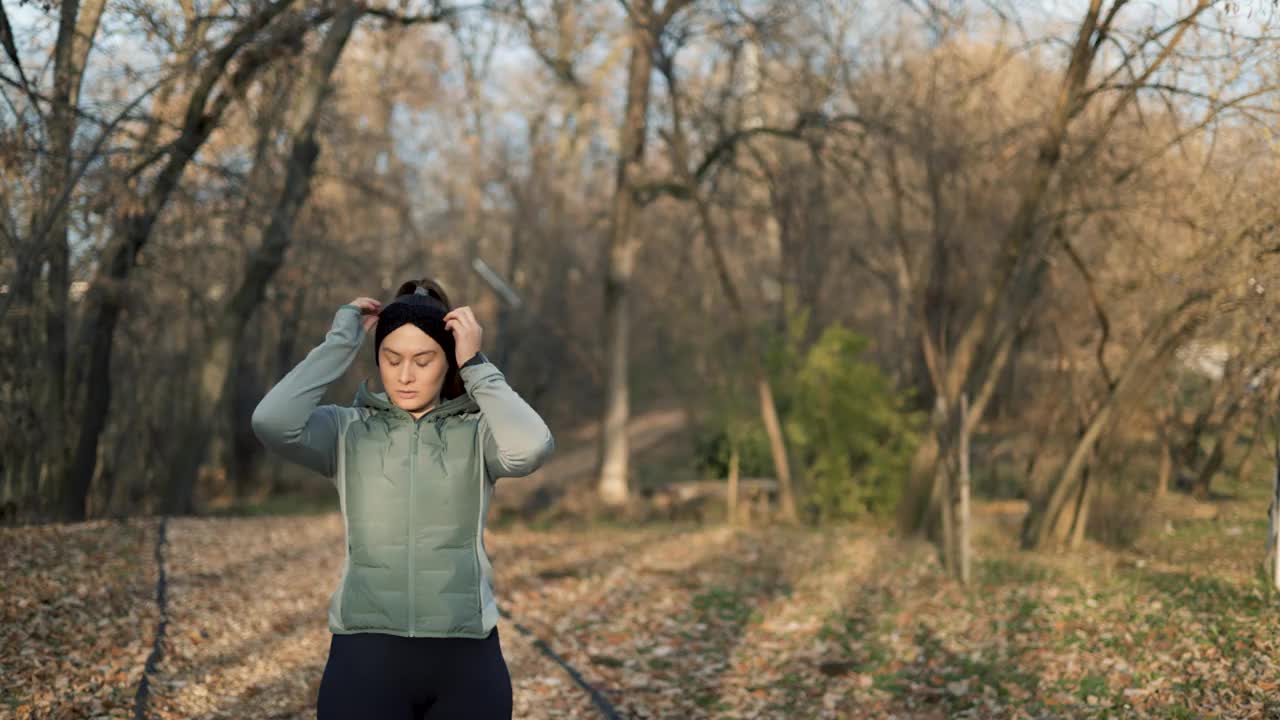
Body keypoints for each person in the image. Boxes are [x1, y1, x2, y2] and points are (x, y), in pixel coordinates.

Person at [251, 278, 555, 719]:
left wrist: (476, 364)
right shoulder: (346, 430)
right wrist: (340, 343)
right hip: (365, 659)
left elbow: (532, 446)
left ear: (446, 361)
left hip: (466, 661)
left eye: (423, 359)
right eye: (391, 359)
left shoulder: (478, 433)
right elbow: (271, 421)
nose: (405, 375)